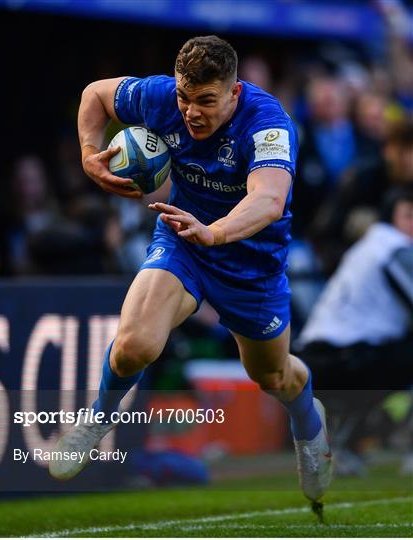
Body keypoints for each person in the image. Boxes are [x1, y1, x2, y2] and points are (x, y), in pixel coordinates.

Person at [48, 35, 332, 513]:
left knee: (272, 375)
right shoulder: (161, 97)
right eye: (185, 98)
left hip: (251, 262)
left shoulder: (268, 124)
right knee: (135, 345)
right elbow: (95, 94)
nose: (191, 111)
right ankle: (96, 419)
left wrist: (217, 232)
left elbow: (268, 199)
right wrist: (89, 155)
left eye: (205, 101)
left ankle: (309, 425)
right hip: (183, 238)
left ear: (234, 93)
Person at [297, 187, 413, 474]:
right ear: (390, 219)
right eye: (409, 215)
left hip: (318, 360)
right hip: (344, 359)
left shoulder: (372, 245)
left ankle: (347, 444)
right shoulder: (393, 248)